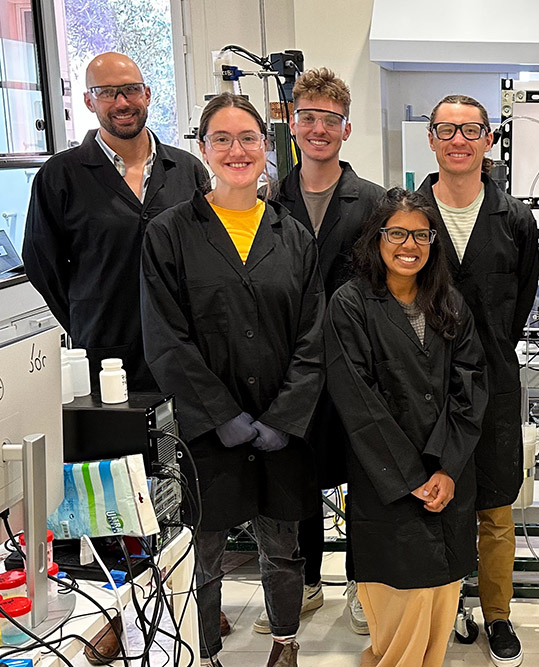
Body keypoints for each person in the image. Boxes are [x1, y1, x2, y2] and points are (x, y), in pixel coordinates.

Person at [140, 92, 325, 667]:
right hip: (206, 430)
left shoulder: (292, 235)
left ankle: (284, 644)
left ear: (268, 148)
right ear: (203, 150)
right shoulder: (170, 232)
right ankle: (207, 651)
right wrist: (221, 416)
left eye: (248, 138)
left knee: (283, 546)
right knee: (205, 550)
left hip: (279, 426)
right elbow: (165, 337)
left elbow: (314, 334)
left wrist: (283, 417)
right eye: (222, 139)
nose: (236, 150)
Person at [324, 187, 488, 667]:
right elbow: (358, 401)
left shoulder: (449, 304)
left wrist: (447, 469)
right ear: (376, 238)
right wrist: (415, 477)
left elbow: (471, 387)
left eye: (421, 234)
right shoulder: (350, 305)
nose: (409, 245)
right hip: (388, 483)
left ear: (434, 241)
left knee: (439, 600)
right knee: (399, 613)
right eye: (397, 233)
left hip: (447, 478)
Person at [257, 67, 384, 637]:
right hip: (289, 364)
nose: (317, 129)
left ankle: (361, 582)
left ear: (346, 129)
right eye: (306, 117)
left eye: (328, 120)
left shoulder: (374, 202)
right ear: (292, 127)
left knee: (364, 473)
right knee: (295, 471)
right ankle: (305, 582)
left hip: (357, 363)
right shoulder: (267, 200)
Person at [416, 95, 539, 666]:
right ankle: (444, 607)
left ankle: (496, 614)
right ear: (432, 139)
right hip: (422, 386)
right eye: (447, 129)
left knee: (494, 506)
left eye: (471, 130)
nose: (458, 139)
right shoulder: (409, 216)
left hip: (492, 382)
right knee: (434, 500)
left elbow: (519, 303)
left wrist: (489, 353)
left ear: (489, 140)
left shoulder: (514, 219)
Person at [23, 51, 207, 391]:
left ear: (147, 94)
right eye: (107, 92)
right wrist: (87, 315)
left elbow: (208, 258)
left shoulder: (187, 170)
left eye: (131, 90)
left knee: (184, 443)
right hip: (105, 355)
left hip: (186, 350)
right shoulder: (60, 176)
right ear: (89, 101)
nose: (122, 102)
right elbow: (42, 265)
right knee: (118, 443)